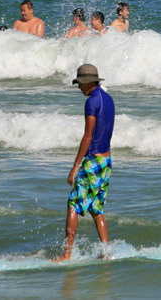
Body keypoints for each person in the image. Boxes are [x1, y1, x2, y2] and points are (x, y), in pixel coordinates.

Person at [53, 64, 115, 261]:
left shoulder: (92, 102)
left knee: (73, 204)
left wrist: (76, 165)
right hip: (106, 159)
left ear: (89, 83)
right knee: (96, 208)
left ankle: (67, 253)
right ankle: (106, 253)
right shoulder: (108, 99)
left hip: (94, 159)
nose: (79, 88)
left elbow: (88, 136)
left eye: (80, 84)